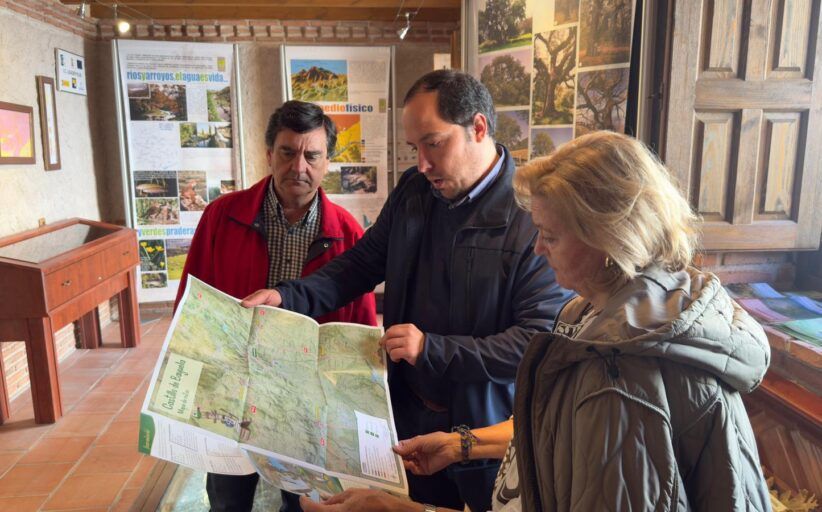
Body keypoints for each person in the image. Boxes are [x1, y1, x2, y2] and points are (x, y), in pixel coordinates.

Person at [297, 131, 772, 511]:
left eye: (549, 235)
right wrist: (461, 444)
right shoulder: (602, 310)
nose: (539, 250)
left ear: (609, 240)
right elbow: (556, 428)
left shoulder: (618, 380)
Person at [242, 70, 572, 512]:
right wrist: (287, 296)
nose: (422, 164)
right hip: (404, 414)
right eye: (415, 149)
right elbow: (360, 264)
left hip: (479, 431)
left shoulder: (530, 215)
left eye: (434, 144)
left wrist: (430, 349)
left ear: (477, 128)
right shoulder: (415, 192)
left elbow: (536, 342)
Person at [175, 100, 377, 512]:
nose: (298, 167)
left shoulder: (348, 235)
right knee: (227, 499)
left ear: (327, 162)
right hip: (233, 393)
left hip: (306, 404)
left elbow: (361, 327)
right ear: (269, 153)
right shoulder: (221, 217)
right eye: (287, 152)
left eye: (312, 155)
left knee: (304, 503)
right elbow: (190, 305)